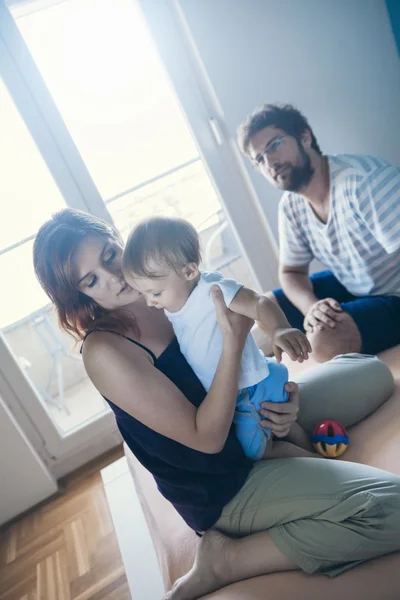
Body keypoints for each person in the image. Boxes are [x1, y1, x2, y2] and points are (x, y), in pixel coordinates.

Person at [34, 208, 400, 600]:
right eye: (91, 280)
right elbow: (205, 438)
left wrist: (284, 405)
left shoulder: (170, 285)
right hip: (222, 480)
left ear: (118, 240)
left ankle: (288, 436)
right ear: (79, 295)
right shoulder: (105, 351)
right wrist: (233, 341)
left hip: (249, 414)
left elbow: (248, 325)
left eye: (109, 255)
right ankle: (229, 559)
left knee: (370, 372)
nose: (113, 277)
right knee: (392, 509)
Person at [122, 215, 314, 460]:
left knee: (257, 450)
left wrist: (279, 328)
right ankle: (314, 450)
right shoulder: (172, 305)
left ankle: (320, 461)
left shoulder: (212, 290)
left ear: (189, 271)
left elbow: (258, 302)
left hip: (249, 387)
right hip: (235, 392)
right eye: (144, 294)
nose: (150, 302)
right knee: (280, 427)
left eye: (155, 293)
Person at [237, 104, 400, 362]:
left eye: (274, 145)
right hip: (355, 283)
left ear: (305, 137)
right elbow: (291, 273)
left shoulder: (365, 181)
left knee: (324, 341)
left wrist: (339, 321)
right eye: (259, 159)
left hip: (394, 293)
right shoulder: (291, 207)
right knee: (267, 309)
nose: (270, 163)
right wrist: (311, 307)